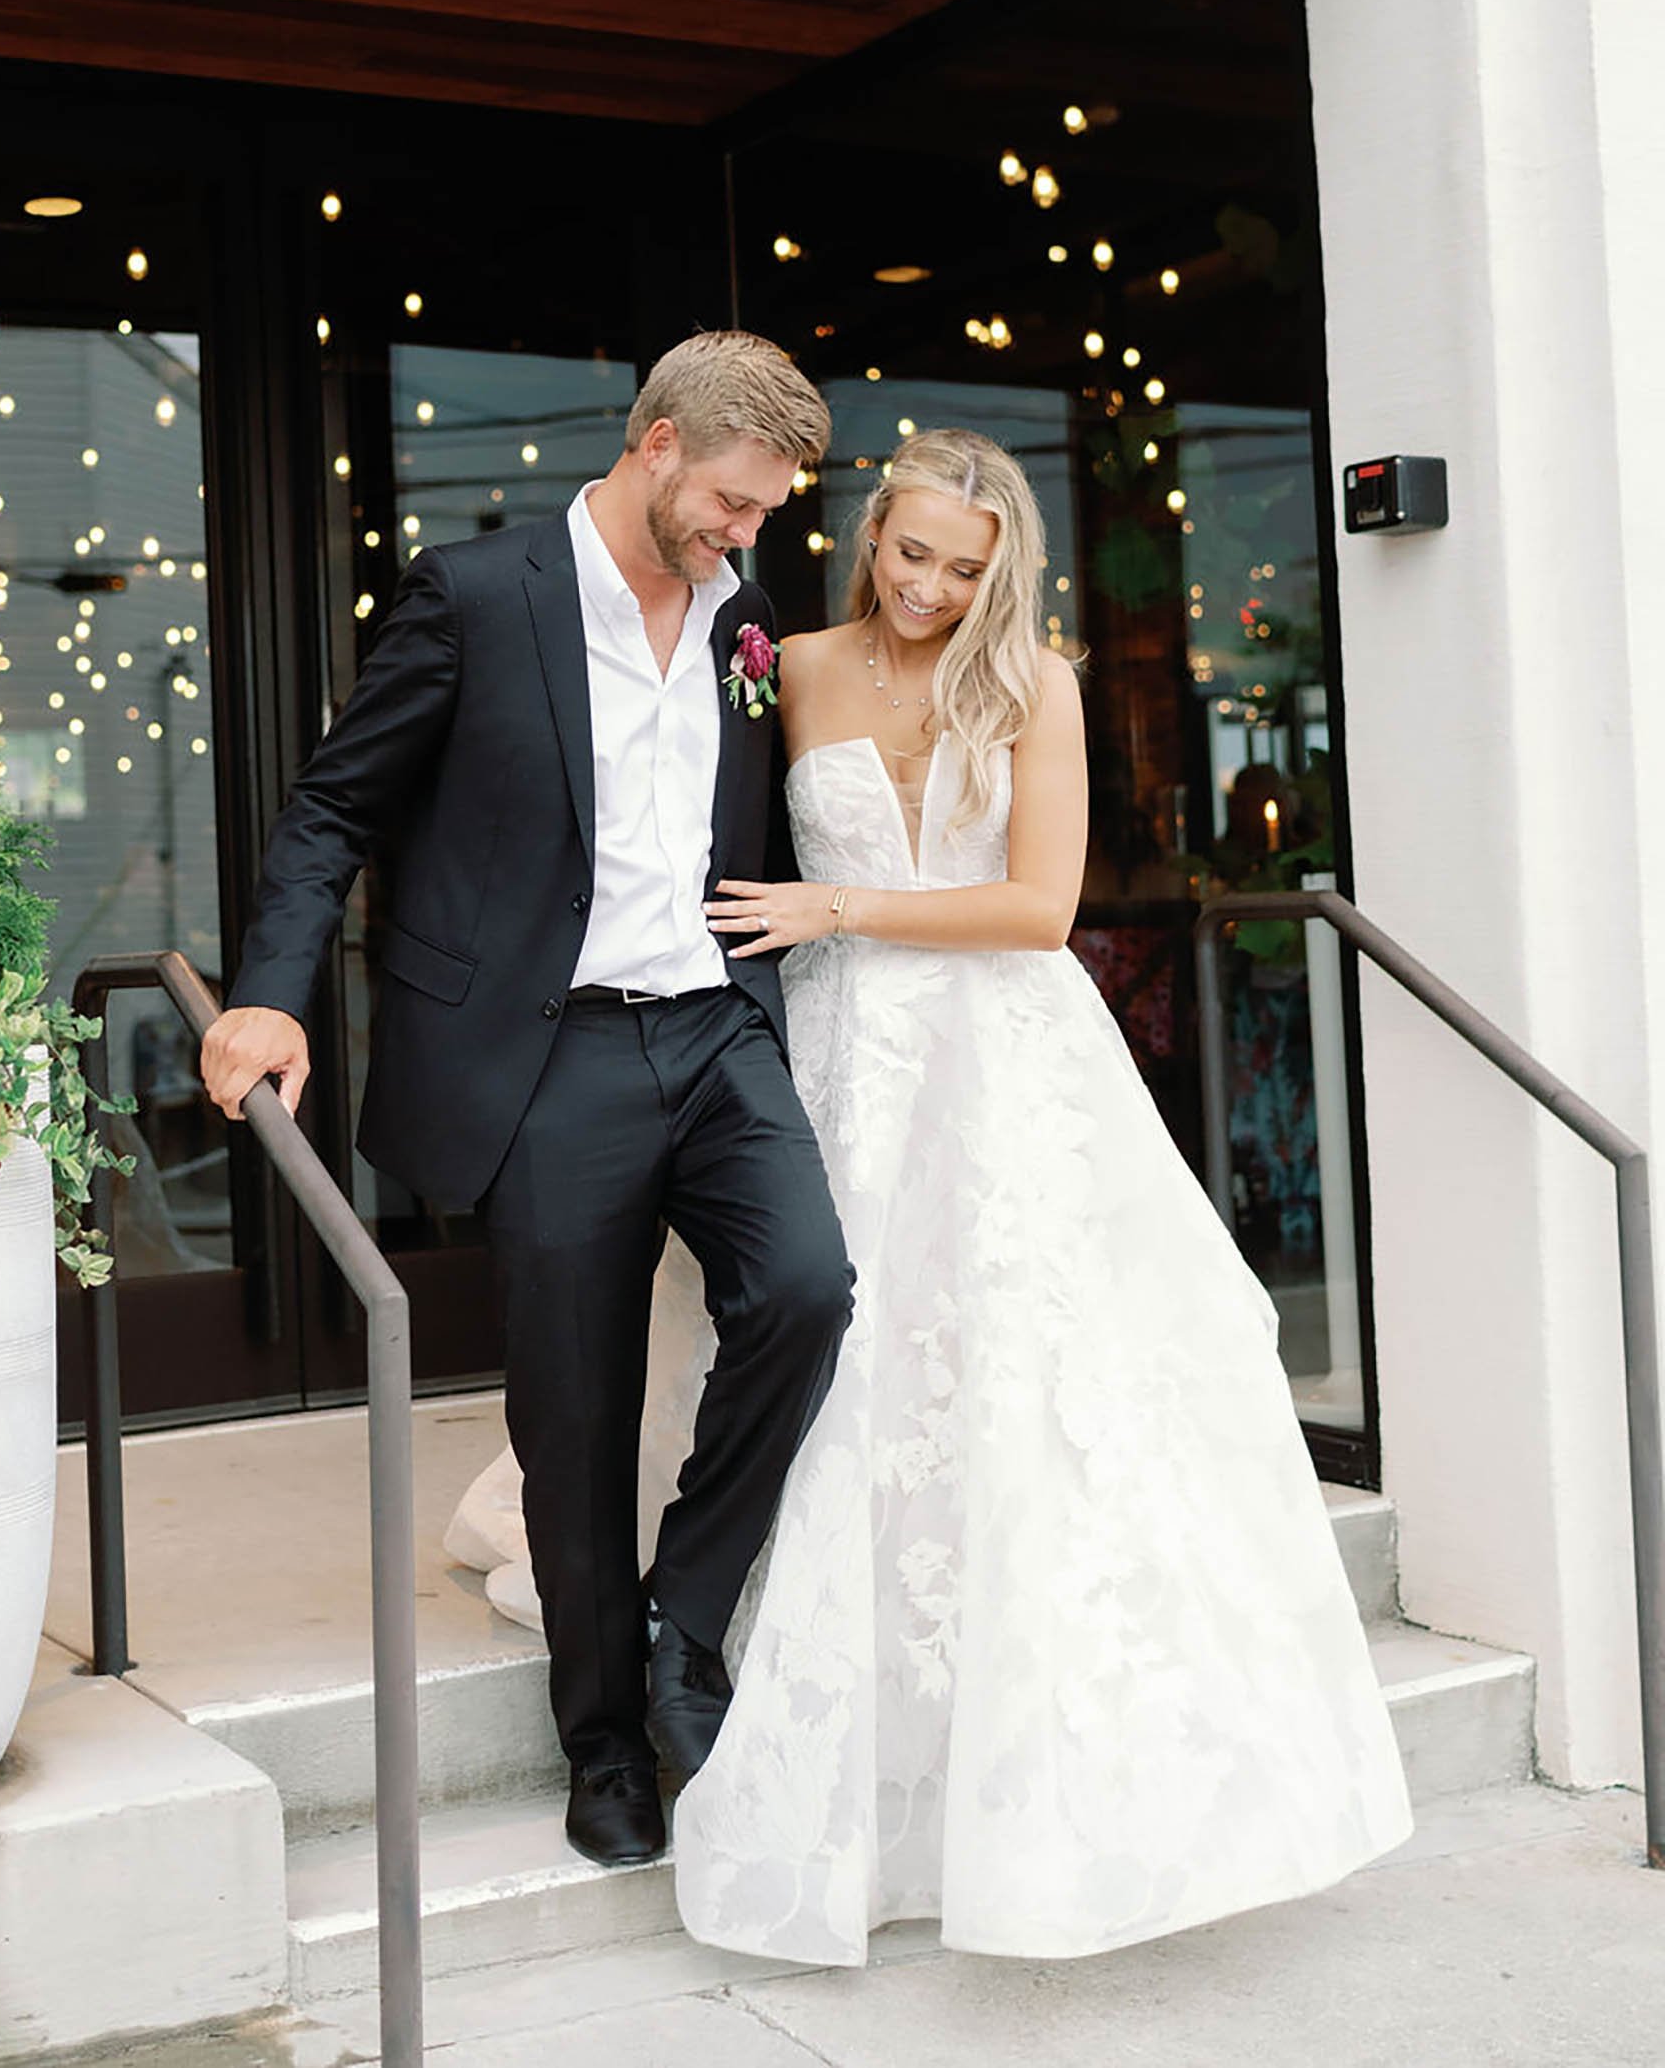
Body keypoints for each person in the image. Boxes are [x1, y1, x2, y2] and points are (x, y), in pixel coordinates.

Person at [453, 424, 1412, 1960]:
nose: (931, 589)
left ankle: (997, 1741)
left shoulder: (1036, 681)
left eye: (966, 570)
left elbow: (1040, 905)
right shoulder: (781, 661)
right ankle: (696, 1655)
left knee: (1011, 1375)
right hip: (825, 1056)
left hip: (998, 1055)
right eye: (911, 554)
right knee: (827, 1331)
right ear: (867, 533)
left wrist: (843, 901)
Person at [199, 330, 853, 1871]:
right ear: (658, 442)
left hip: (715, 1028)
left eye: (765, 513)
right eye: (736, 501)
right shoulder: (477, 595)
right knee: (575, 1408)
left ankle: (682, 1622)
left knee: (811, 1290)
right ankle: (603, 1738)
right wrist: (272, 986)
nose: (750, 536)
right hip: (555, 1047)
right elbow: (331, 805)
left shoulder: (740, 614)